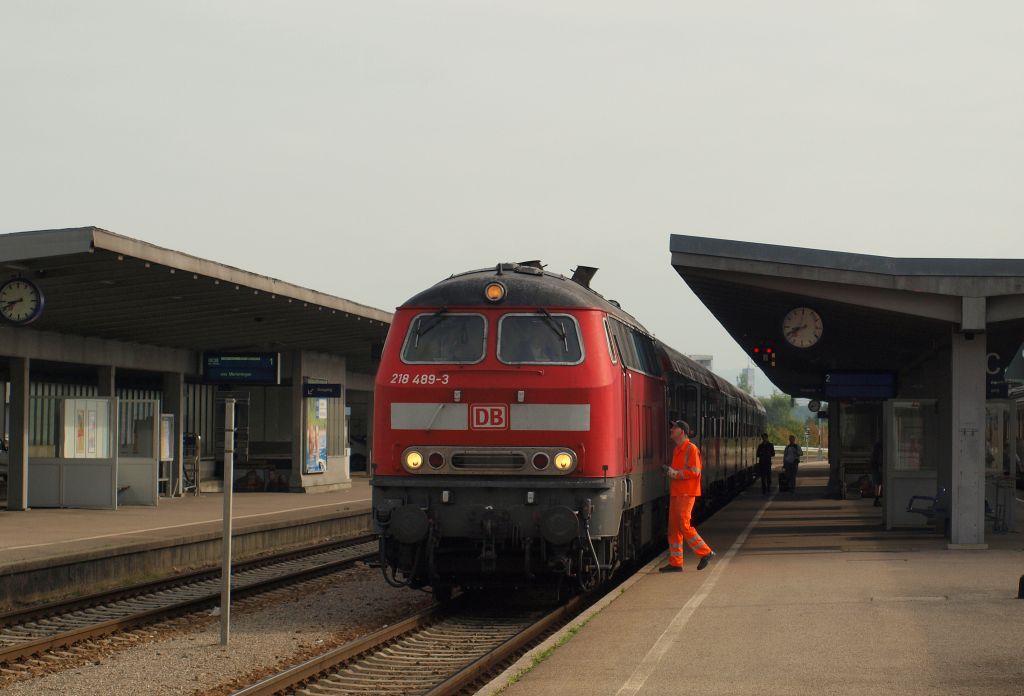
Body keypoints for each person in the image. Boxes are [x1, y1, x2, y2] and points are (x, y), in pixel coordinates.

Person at [659, 420, 715, 573]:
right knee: (673, 529)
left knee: (684, 525)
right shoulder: (677, 450)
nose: (671, 429)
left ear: (682, 431)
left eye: (674, 427)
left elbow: (695, 471)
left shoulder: (691, 449)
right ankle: (676, 562)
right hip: (677, 493)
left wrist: (674, 473)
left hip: (687, 493)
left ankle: (706, 553)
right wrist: (670, 471)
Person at [870, 441, 883, 506]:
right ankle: (877, 499)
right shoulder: (881, 449)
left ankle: (876, 499)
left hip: (874, 467)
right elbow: (880, 460)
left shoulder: (874, 453)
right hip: (878, 468)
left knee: (877, 484)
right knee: (879, 484)